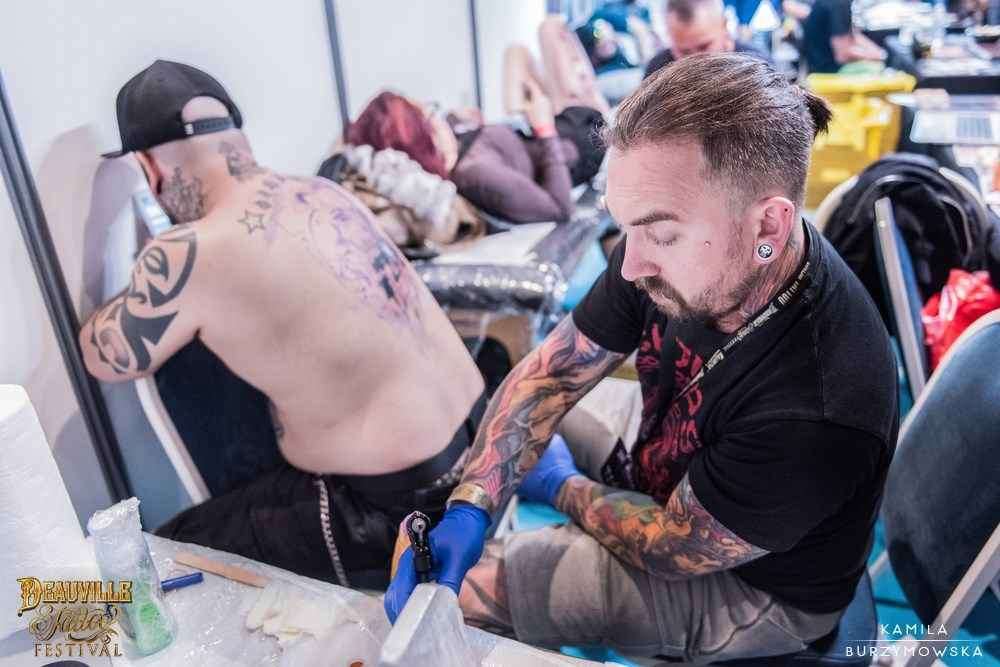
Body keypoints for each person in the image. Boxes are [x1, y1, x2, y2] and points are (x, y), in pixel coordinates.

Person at [386, 53, 899, 661]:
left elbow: (672, 546)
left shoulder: (818, 407)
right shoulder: (672, 250)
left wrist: (564, 488)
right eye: (627, 227)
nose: (630, 266)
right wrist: (472, 504)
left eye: (660, 234)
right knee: (501, 415)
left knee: (460, 593)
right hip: (676, 464)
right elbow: (551, 376)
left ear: (768, 225)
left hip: (755, 592)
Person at [80, 60, 485, 590]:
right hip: (478, 451)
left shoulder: (191, 249)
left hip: (396, 510)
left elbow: (104, 357)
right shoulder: (324, 192)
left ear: (150, 169)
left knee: (164, 554)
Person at [346, 91, 604, 225]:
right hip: (576, 147)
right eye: (430, 115)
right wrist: (544, 129)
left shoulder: (454, 153)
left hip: (547, 134)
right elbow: (560, 209)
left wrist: (458, 123)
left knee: (525, 56)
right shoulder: (475, 173)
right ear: (425, 138)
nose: (438, 117)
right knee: (537, 42)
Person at [644, 0, 770, 79]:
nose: (695, 60)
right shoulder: (657, 71)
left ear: (724, 27)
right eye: (684, 52)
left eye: (704, 47)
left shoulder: (758, 66)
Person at [801, 0, 886, 73]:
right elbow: (843, 55)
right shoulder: (839, 4)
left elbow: (853, 35)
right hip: (828, 71)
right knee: (879, 69)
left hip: (818, 65)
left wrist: (879, 53)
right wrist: (877, 57)